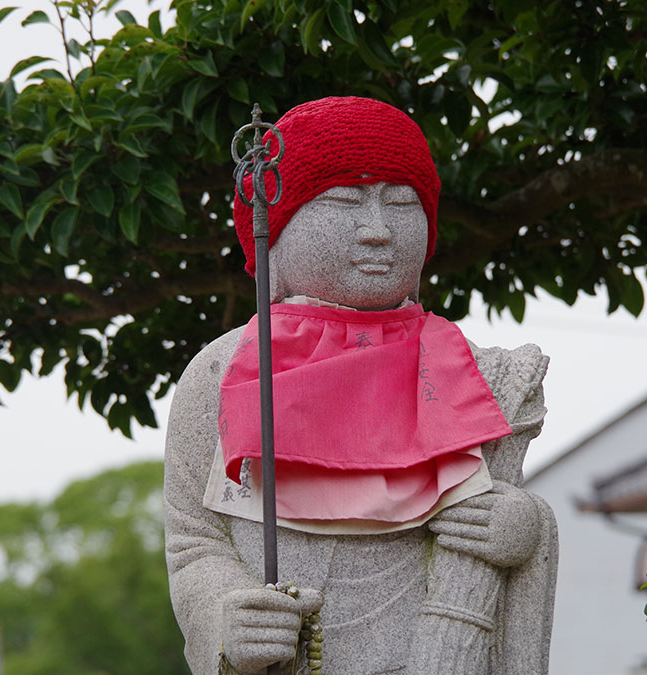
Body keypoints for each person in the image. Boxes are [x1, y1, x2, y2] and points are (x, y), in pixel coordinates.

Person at [164, 97, 557, 674]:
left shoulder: (472, 372)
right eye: (344, 202)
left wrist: (526, 531)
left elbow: (515, 510)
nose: (378, 232)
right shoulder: (223, 371)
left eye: (401, 205)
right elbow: (194, 541)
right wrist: (225, 616)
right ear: (276, 229)